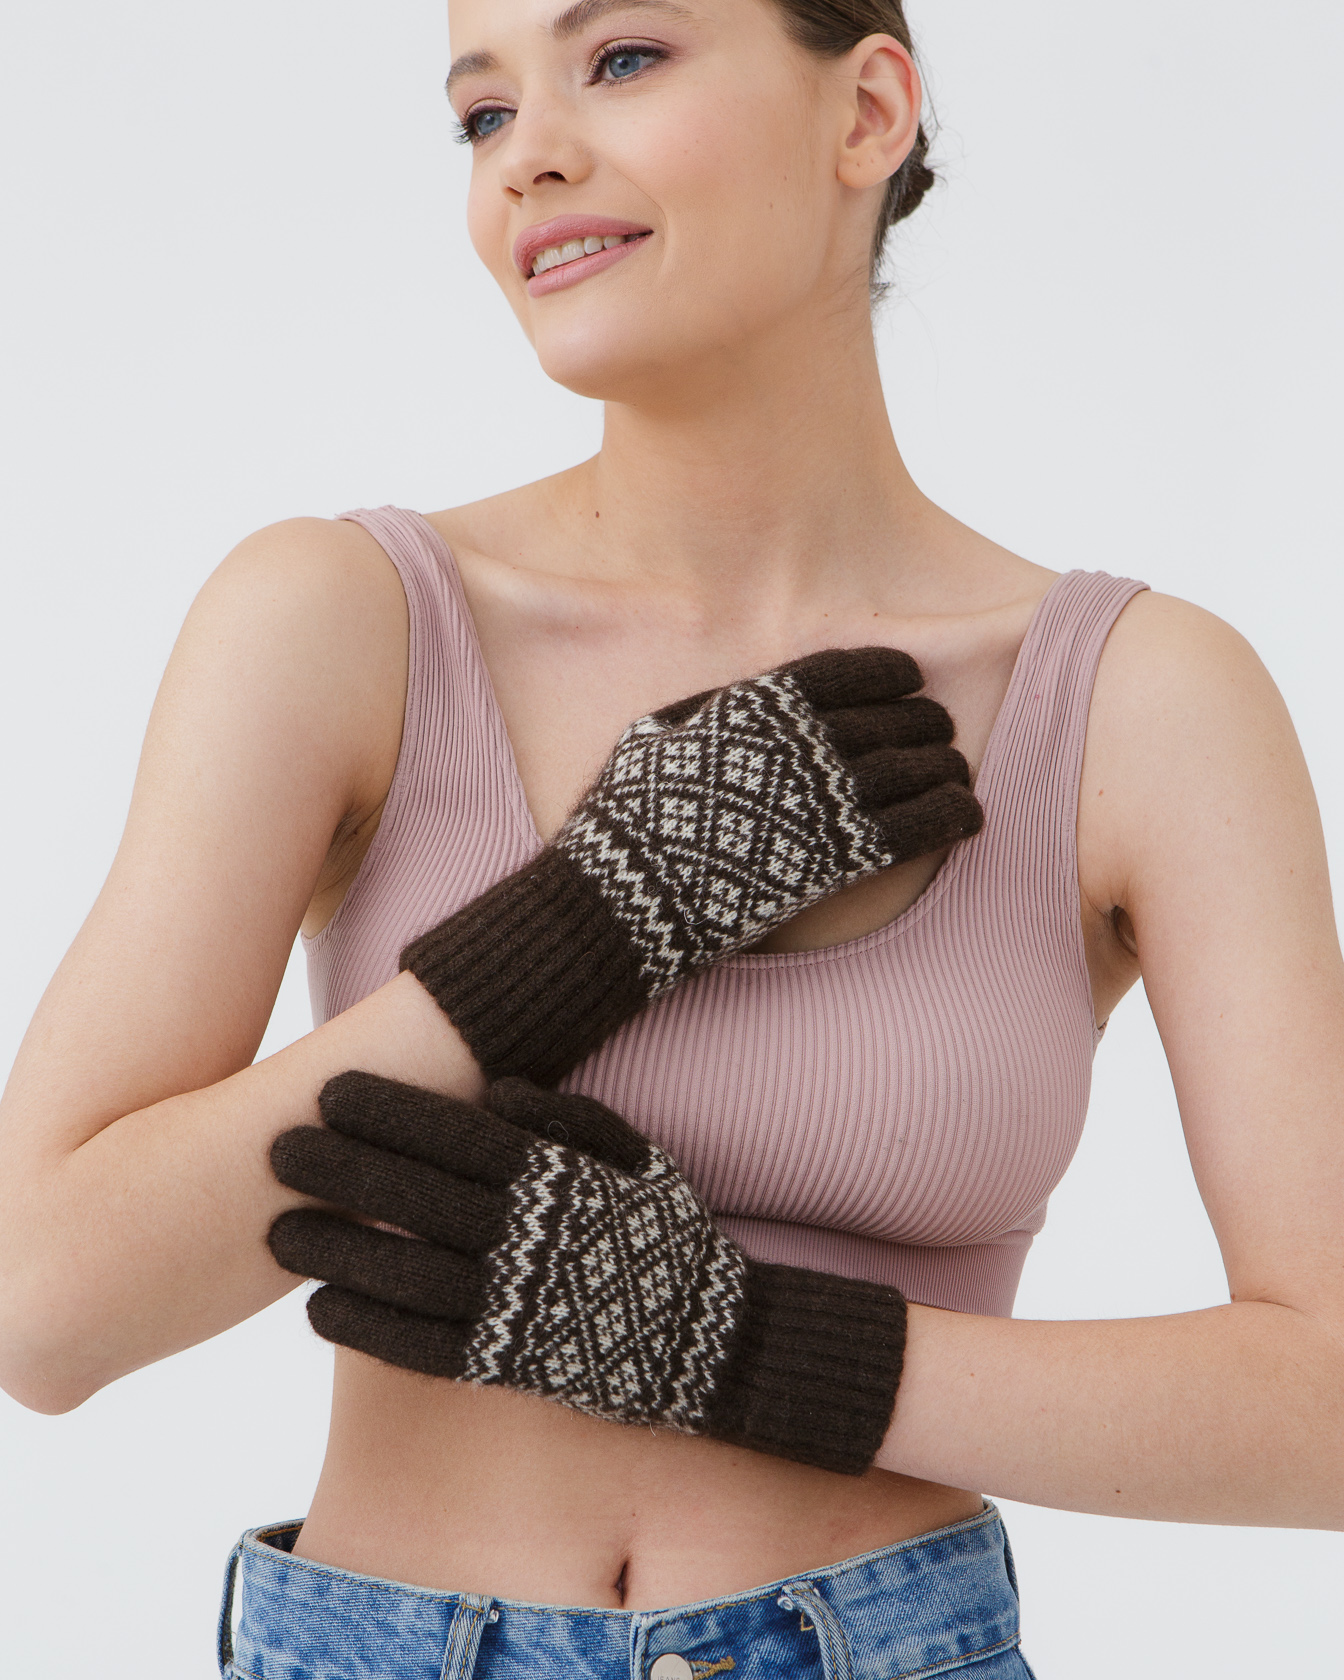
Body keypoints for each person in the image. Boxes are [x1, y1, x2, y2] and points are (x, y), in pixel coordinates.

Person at [2, 1, 1342, 1676]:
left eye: (621, 59)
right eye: (482, 113)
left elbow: (1327, 1407)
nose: (529, 155)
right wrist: (568, 939)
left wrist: (753, 1349)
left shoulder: (1139, 699)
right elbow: (42, 1309)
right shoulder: (341, 621)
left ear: (869, 112)